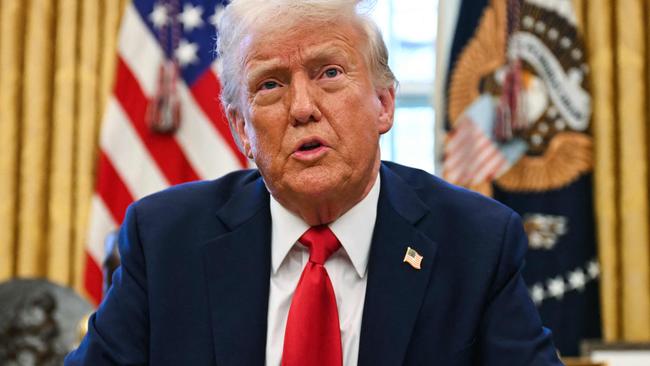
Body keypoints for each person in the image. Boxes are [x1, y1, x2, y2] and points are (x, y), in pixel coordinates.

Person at [66, 0, 564, 365]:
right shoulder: (165, 239)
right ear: (242, 129)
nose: (302, 108)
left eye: (329, 72)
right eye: (270, 84)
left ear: (384, 104)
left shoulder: (475, 242)